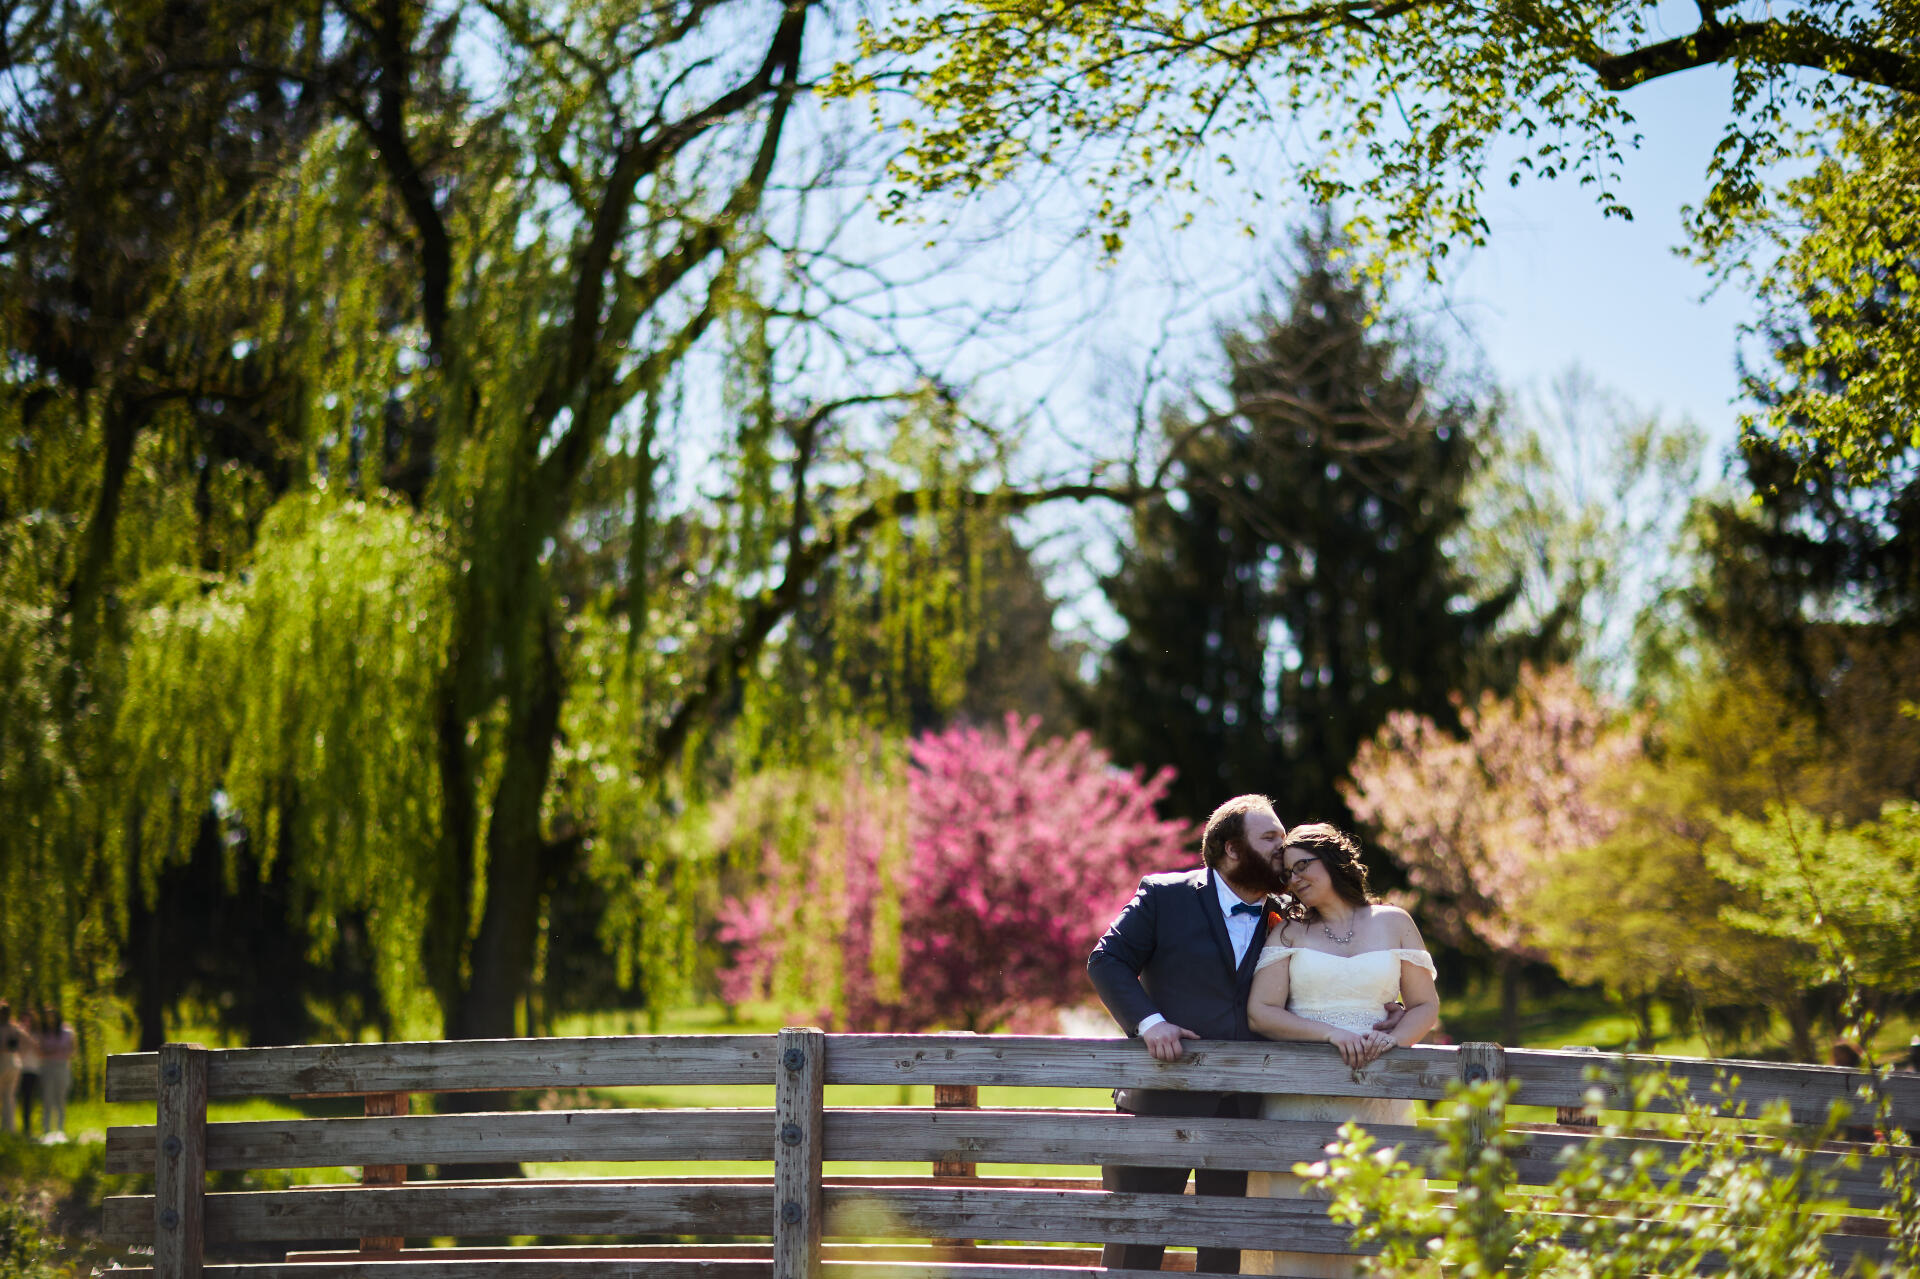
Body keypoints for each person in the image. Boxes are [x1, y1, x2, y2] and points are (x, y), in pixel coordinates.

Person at [1087, 795, 1405, 1274]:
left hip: (1246, 1109)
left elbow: (1318, 982)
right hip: (1159, 1098)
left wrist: (1378, 1003)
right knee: (1136, 1241)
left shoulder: (1293, 915)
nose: (1284, 847)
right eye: (1271, 838)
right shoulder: (1164, 896)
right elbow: (1105, 961)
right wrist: (1150, 1024)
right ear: (1233, 850)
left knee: (1224, 1248)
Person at [1243, 824, 1441, 1279]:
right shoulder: (1289, 933)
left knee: (1379, 1220)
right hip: (1300, 1097)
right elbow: (1262, 1013)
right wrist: (1331, 1034)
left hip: (1377, 1093)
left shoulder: (1394, 921)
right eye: (1286, 874)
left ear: (1332, 860)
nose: (1293, 880)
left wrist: (1394, 1040)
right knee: (1302, 1221)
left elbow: (1425, 1004)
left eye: (1301, 866)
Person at [37, 1008, 74, 1139]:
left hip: (62, 1066)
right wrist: (52, 1051)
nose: (50, 1019)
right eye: (48, 1017)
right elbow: (39, 1051)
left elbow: (72, 1051)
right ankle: (46, 1130)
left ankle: (60, 1130)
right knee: (47, 1098)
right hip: (48, 1067)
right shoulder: (43, 1033)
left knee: (60, 1098)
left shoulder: (67, 1031)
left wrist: (60, 1051)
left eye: (52, 1016)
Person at [14, 1007, 39, 1137]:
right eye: (23, 1020)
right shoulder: (16, 1034)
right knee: (13, 1099)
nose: (26, 1022)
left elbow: (41, 1052)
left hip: (32, 1070)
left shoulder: (37, 1035)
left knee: (28, 1100)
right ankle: (12, 1127)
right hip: (17, 1069)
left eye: (28, 1020)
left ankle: (27, 1128)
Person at [0, 1003, 17, 1135]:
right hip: (13, 1063)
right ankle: (9, 1128)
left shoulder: (9, 1028)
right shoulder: (14, 1028)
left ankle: (8, 1129)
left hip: (6, 1063)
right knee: (9, 1098)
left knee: (8, 1097)